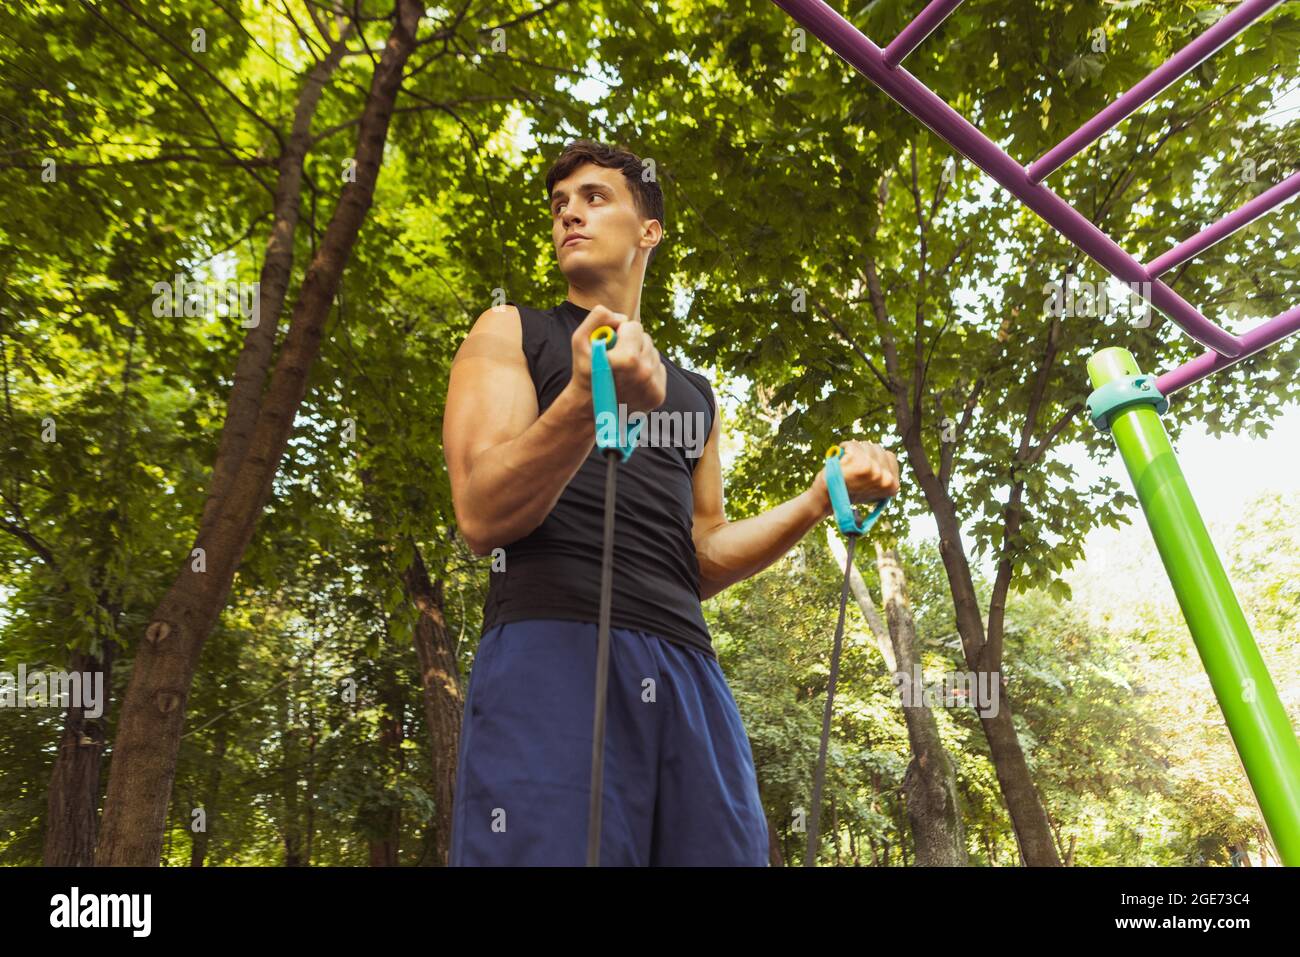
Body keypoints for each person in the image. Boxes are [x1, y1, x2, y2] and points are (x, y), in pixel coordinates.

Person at [442, 138, 900, 865]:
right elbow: (482, 512)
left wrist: (818, 499)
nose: (569, 215)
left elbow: (703, 555)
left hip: (687, 665)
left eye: (594, 198)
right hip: (550, 642)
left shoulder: (694, 394)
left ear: (648, 231)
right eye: (559, 204)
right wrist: (592, 403)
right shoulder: (512, 330)